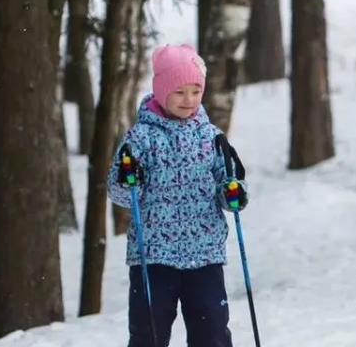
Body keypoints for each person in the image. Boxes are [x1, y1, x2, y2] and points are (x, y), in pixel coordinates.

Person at [107, 43, 251, 347]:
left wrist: (233, 192)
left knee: (211, 332)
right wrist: (128, 179)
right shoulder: (139, 139)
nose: (189, 100)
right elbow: (120, 194)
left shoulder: (211, 137)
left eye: (196, 91)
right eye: (180, 92)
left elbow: (228, 184)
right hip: (154, 256)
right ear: (161, 91)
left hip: (204, 254)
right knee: (149, 333)